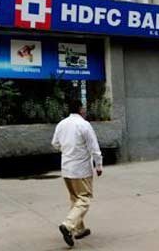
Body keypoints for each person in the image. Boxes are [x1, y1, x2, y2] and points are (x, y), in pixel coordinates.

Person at [51, 100, 103, 247]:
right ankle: (68, 225)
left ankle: (80, 229)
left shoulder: (61, 124)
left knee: (75, 199)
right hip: (81, 170)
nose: (85, 110)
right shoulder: (84, 125)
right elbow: (94, 147)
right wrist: (98, 165)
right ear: (80, 109)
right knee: (84, 199)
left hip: (66, 169)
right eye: (83, 108)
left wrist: (67, 150)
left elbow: (55, 143)